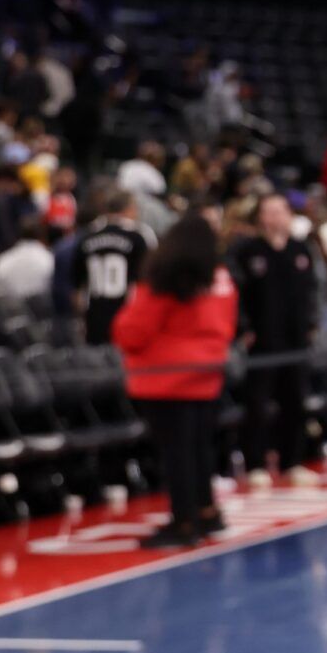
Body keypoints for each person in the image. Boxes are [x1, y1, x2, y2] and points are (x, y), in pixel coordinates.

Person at [112, 214, 237, 548]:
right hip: (207, 372)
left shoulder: (166, 278)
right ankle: (207, 510)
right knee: (200, 447)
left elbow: (133, 331)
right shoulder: (221, 277)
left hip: (164, 378)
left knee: (176, 453)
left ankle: (184, 521)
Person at [233, 194, 319, 487]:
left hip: (295, 342)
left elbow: (312, 291)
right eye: (269, 211)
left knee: (295, 401)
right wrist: (243, 327)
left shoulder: (300, 250)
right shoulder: (248, 251)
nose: (276, 217)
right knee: (257, 403)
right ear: (260, 217)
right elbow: (239, 294)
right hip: (262, 342)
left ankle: (292, 461)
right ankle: (255, 463)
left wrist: (311, 323)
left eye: (281, 211)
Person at [74, 188, 154, 345]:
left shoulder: (87, 235)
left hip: (95, 313)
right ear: (130, 209)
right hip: (127, 312)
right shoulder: (139, 235)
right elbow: (147, 280)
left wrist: (81, 317)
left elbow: (77, 286)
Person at [0, 217, 53, 300]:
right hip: (42, 310)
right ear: (43, 236)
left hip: (9, 310)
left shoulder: (2, 261)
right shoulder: (49, 259)